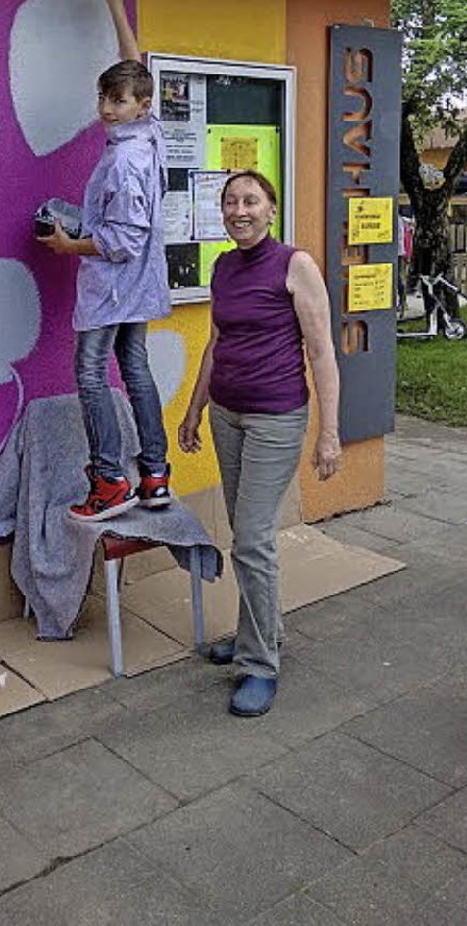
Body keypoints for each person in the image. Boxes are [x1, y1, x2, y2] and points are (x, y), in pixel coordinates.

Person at [178, 171, 341, 717]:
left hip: (276, 417)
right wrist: (195, 406)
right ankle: (261, 630)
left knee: (251, 540)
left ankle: (260, 664)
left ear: (272, 208)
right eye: (230, 202)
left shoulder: (295, 265)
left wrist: (330, 434)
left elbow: (322, 352)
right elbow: (215, 341)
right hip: (227, 413)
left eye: (250, 201)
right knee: (246, 536)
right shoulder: (223, 266)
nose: (239, 210)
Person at [38, 0, 171, 522]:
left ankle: (110, 481)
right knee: (135, 368)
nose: (106, 108)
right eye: (103, 98)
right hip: (140, 287)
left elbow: (118, 242)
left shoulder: (123, 161)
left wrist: (70, 248)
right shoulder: (149, 130)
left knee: (92, 375)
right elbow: (136, 67)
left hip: (116, 285)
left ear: (138, 104)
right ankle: (155, 475)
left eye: (117, 100)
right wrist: (117, 3)